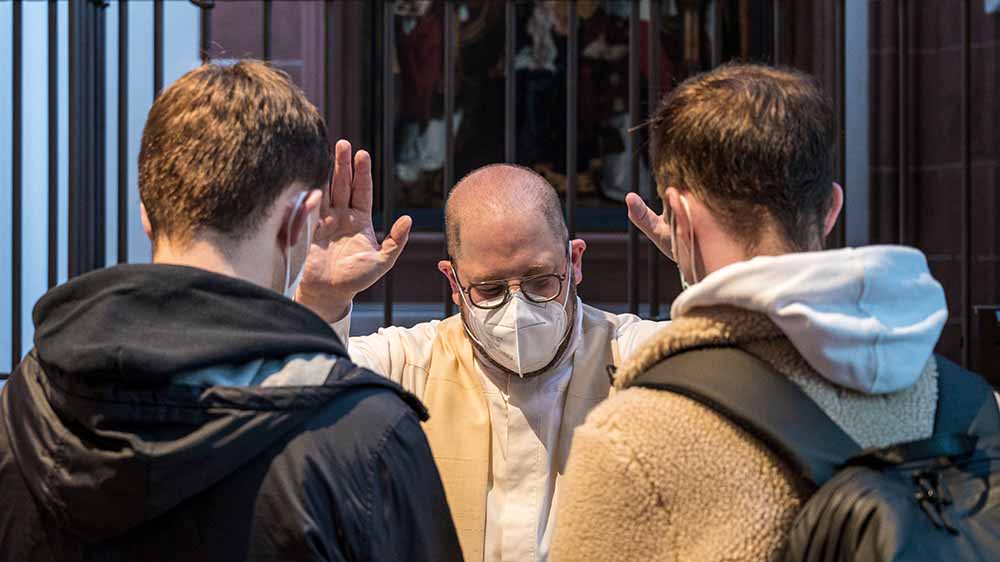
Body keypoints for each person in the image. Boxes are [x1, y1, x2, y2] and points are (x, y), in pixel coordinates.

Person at [0, 61, 461, 562]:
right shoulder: (366, 436)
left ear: (147, 212)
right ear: (300, 220)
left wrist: (322, 305)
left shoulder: (25, 402)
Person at [548, 63, 998, 561]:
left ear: (678, 214)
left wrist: (696, 262)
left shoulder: (633, 441)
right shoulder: (969, 403)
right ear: (831, 208)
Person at [295, 156, 667, 562]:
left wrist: (703, 270)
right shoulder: (409, 364)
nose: (518, 308)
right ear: (454, 283)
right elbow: (297, 399)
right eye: (490, 290)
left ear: (574, 262)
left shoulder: (636, 355)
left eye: (540, 281)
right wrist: (321, 300)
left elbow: (721, 365)